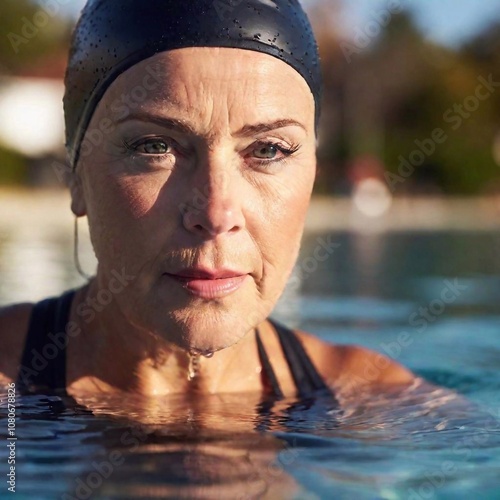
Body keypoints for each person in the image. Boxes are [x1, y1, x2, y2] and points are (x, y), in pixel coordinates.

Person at [0, 0, 416, 403]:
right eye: (155, 146)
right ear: (76, 174)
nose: (216, 213)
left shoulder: (375, 403)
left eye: (268, 150)